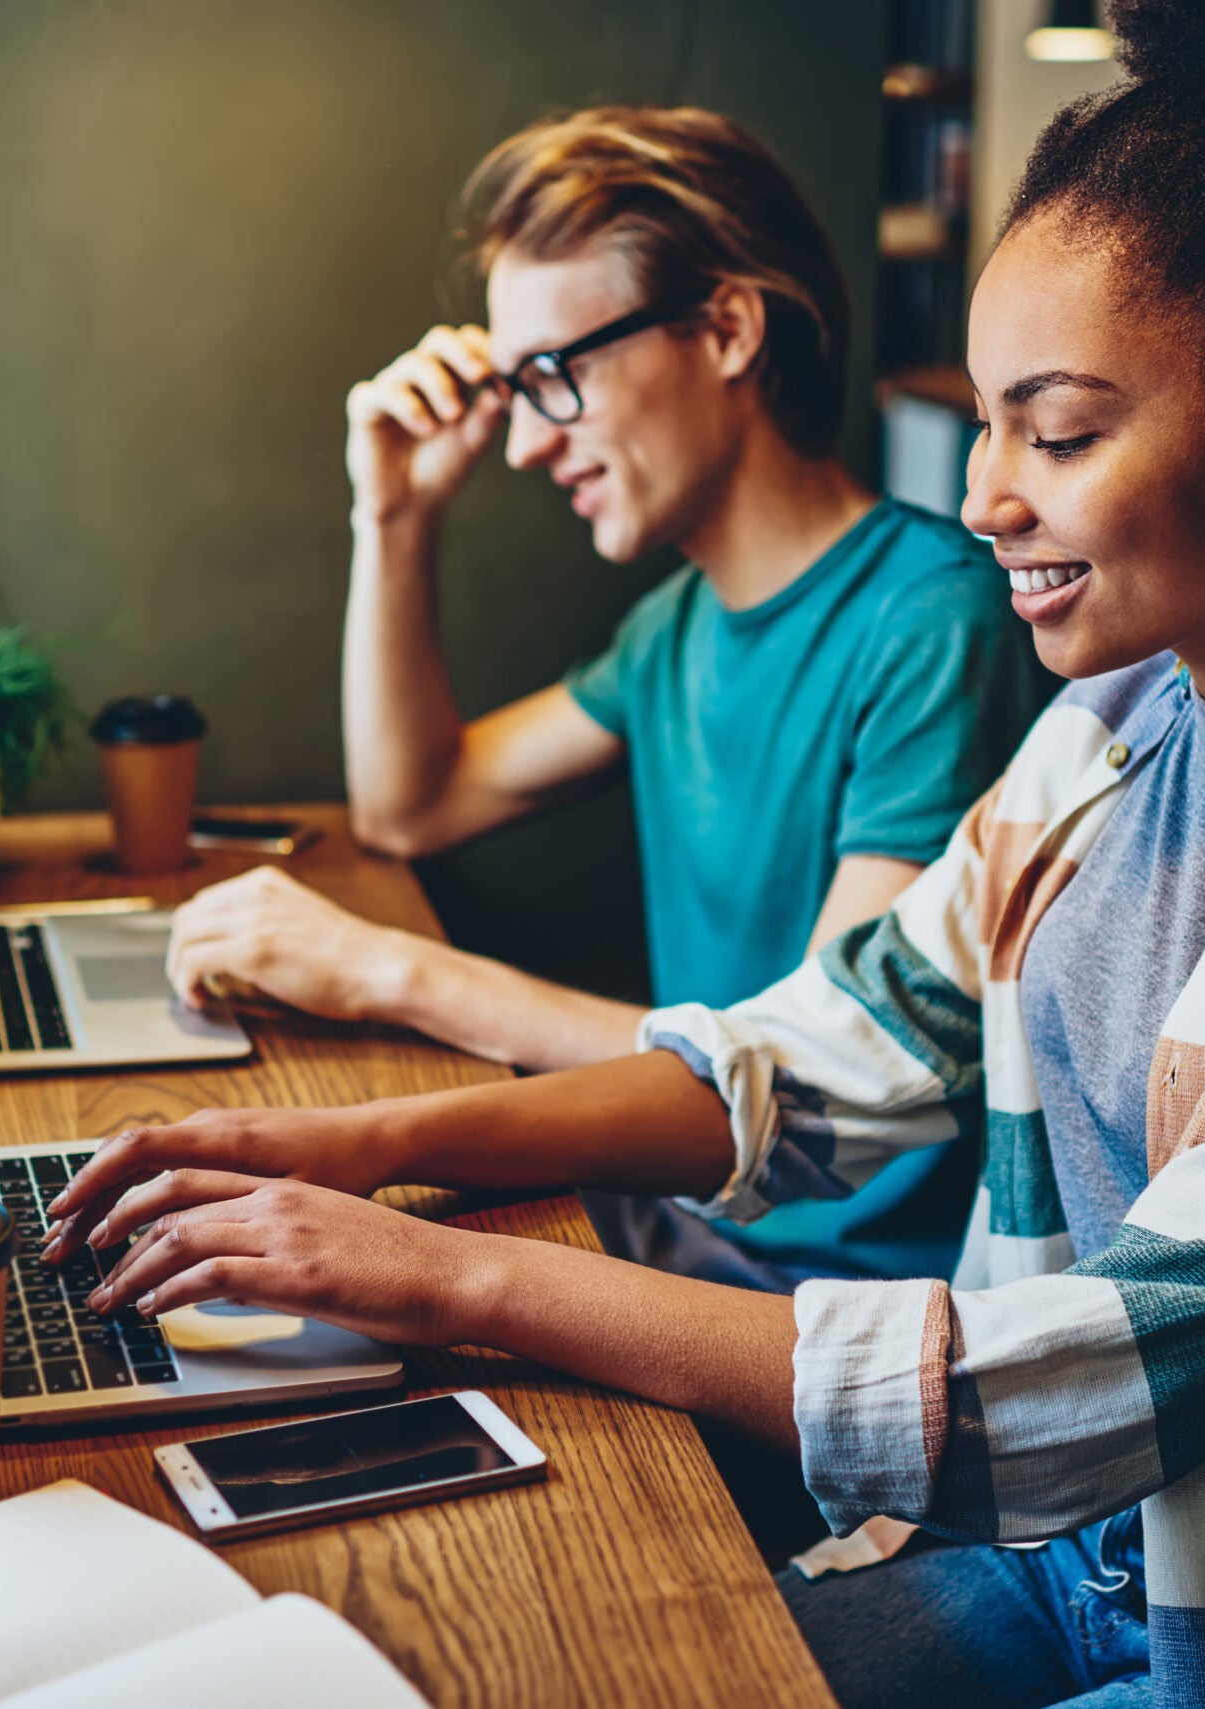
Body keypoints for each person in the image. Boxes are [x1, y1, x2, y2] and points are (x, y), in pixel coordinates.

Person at [46, 5, 1205, 1703]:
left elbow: (1098, 1381)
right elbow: (821, 1054)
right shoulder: (1115, 729)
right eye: (985, 425)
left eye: (1055, 431)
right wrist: (359, 1145)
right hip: (1069, 1553)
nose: (986, 496)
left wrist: (456, 1270)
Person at [164, 106, 1050, 1291]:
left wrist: (390, 968)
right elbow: (410, 806)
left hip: (814, 1308)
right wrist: (394, 517)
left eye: (552, 377)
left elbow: (810, 1069)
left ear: (727, 328)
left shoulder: (933, 620)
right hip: (671, 1226)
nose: (527, 443)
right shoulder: (673, 629)